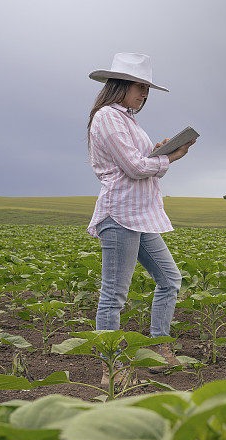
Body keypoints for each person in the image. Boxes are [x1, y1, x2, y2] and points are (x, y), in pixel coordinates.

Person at [86, 52, 195, 386]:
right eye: (139, 86)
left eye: (147, 88)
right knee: (113, 296)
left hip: (141, 215)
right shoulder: (107, 117)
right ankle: (111, 369)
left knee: (170, 278)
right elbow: (133, 168)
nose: (144, 94)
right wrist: (170, 158)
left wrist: (159, 152)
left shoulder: (128, 119)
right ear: (120, 85)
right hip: (119, 214)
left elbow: (138, 160)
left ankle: (158, 350)